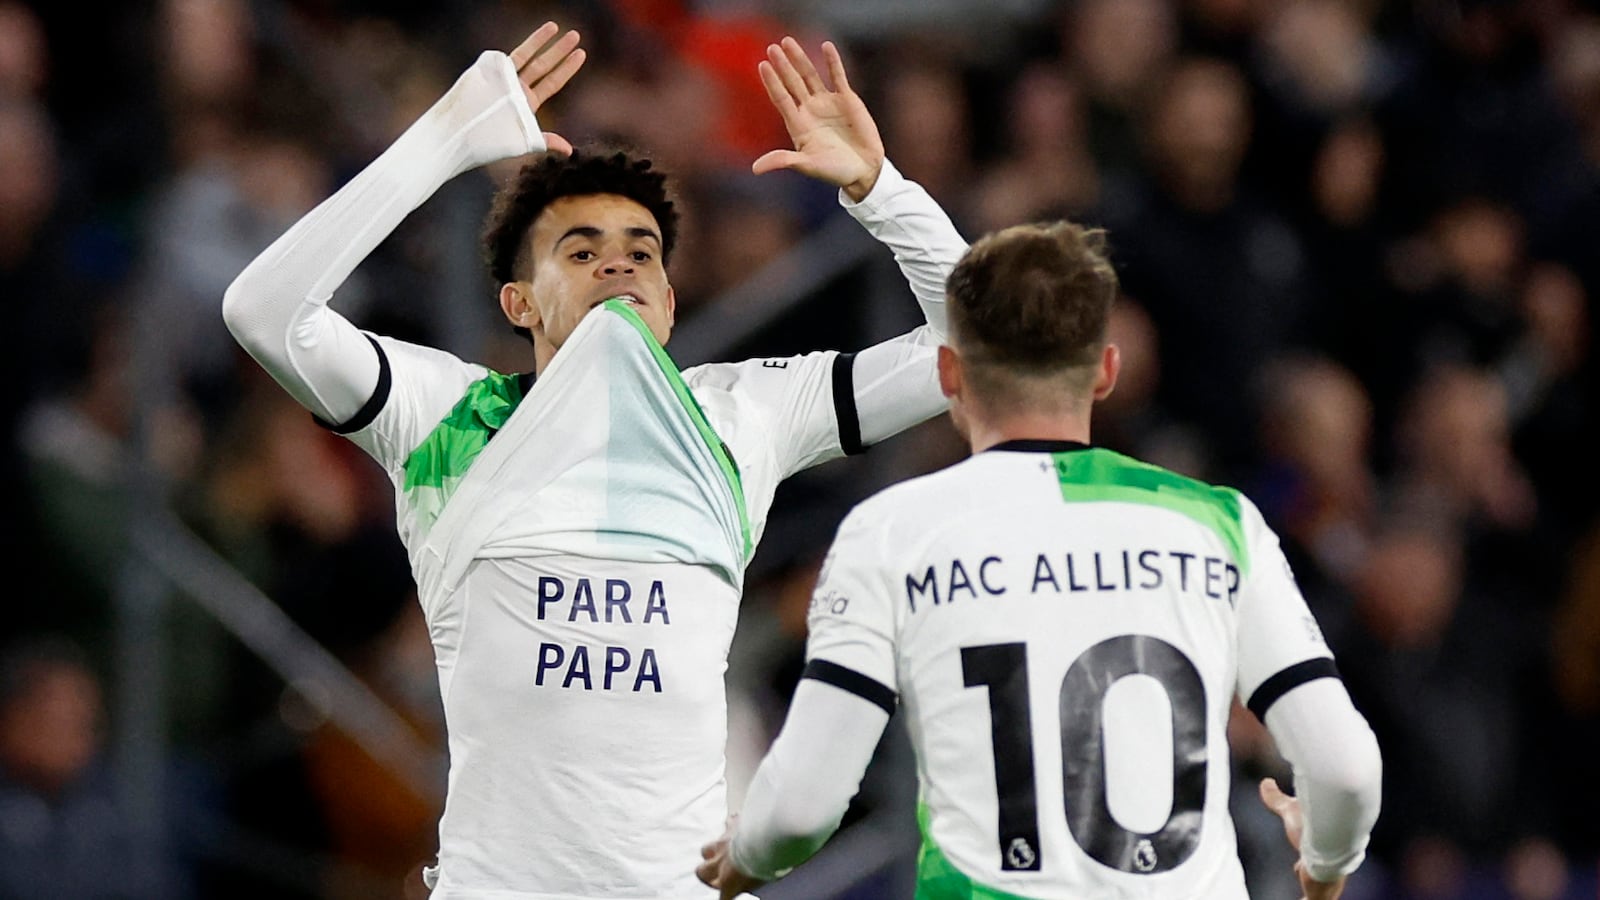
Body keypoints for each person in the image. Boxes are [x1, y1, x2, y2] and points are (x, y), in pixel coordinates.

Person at [222, 23, 967, 900]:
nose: (619, 261)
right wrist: (444, 141)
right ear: (519, 301)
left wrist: (882, 192)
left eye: (641, 251)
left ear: (668, 299)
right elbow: (264, 311)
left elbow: (979, 346)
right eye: (580, 250)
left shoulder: (742, 418)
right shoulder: (445, 418)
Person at [698, 221, 1383, 900]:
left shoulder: (890, 532)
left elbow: (800, 809)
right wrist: (1325, 865)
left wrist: (747, 854)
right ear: (1107, 370)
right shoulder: (1219, 523)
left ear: (948, 373)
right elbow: (1345, 768)